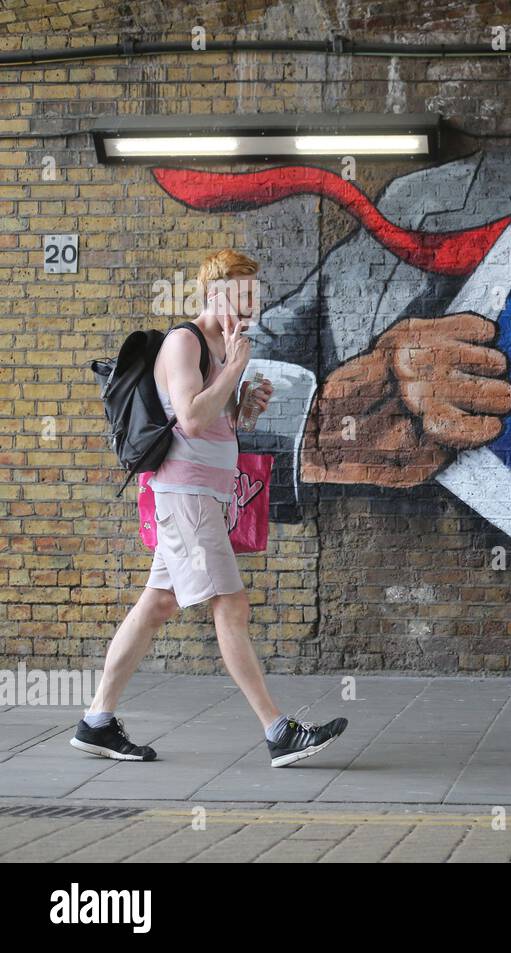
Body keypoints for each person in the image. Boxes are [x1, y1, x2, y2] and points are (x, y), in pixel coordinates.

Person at [72, 249, 348, 768]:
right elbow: (192, 420)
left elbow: (214, 421)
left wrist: (242, 405)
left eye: (254, 298)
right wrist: (236, 371)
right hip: (187, 497)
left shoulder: (223, 348)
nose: (251, 310)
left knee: (157, 605)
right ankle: (278, 730)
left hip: (205, 497)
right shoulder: (184, 342)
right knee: (232, 607)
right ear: (215, 294)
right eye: (242, 298)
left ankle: (96, 721)